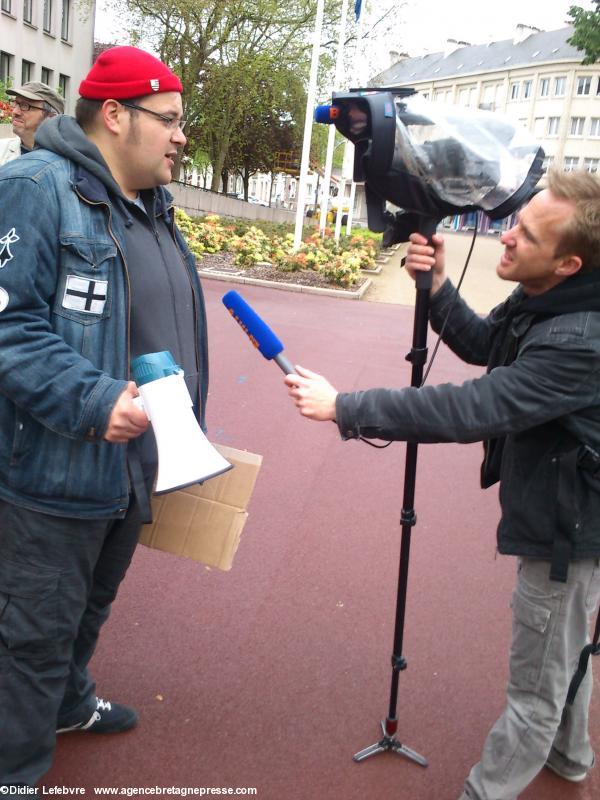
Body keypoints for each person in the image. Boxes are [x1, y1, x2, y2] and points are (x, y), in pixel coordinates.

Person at [284, 168, 600, 799]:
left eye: (526, 235)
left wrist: (346, 406)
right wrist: (435, 286)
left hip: (569, 530)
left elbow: (472, 407)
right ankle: (569, 758)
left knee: (535, 684)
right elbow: (488, 344)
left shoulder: (582, 339)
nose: (506, 238)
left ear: (567, 262)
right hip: (564, 511)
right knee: (561, 644)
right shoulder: (551, 295)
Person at [0, 46, 208, 786]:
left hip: (126, 466)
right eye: (171, 121)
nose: (182, 136)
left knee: (88, 607)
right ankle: (13, 771)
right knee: (32, 632)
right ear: (116, 115)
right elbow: (9, 326)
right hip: (54, 466)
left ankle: (68, 703)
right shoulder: (33, 189)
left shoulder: (150, 202)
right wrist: (93, 400)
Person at [0, 81, 64, 164]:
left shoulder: (65, 162)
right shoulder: (2, 149)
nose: (15, 111)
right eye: (15, 103)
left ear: (51, 117)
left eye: (25, 106)